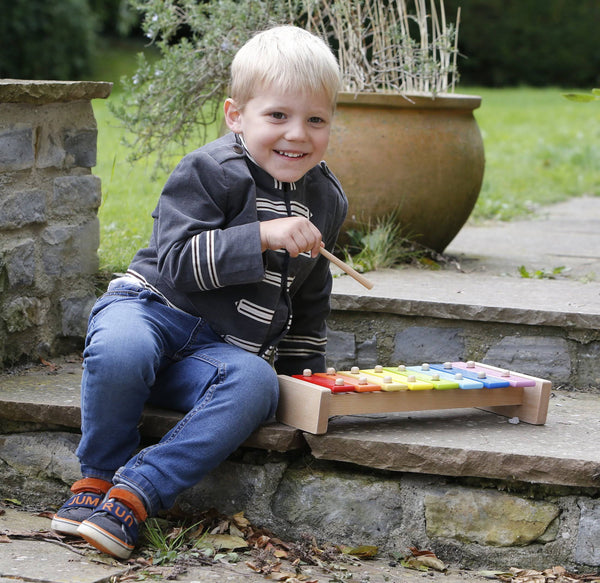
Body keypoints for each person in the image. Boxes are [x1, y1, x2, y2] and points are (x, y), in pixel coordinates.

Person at [50, 25, 347, 559]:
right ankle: (95, 478)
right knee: (122, 348)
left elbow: (309, 294)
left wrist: (307, 377)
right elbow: (179, 262)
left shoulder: (325, 198)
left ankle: (134, 496)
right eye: (277, 115)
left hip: (213, 356)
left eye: (316, 119)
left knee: (257, 385)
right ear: (236, 116)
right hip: (151, 310)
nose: (297, 134)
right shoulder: (210, 170)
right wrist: (259, 235)